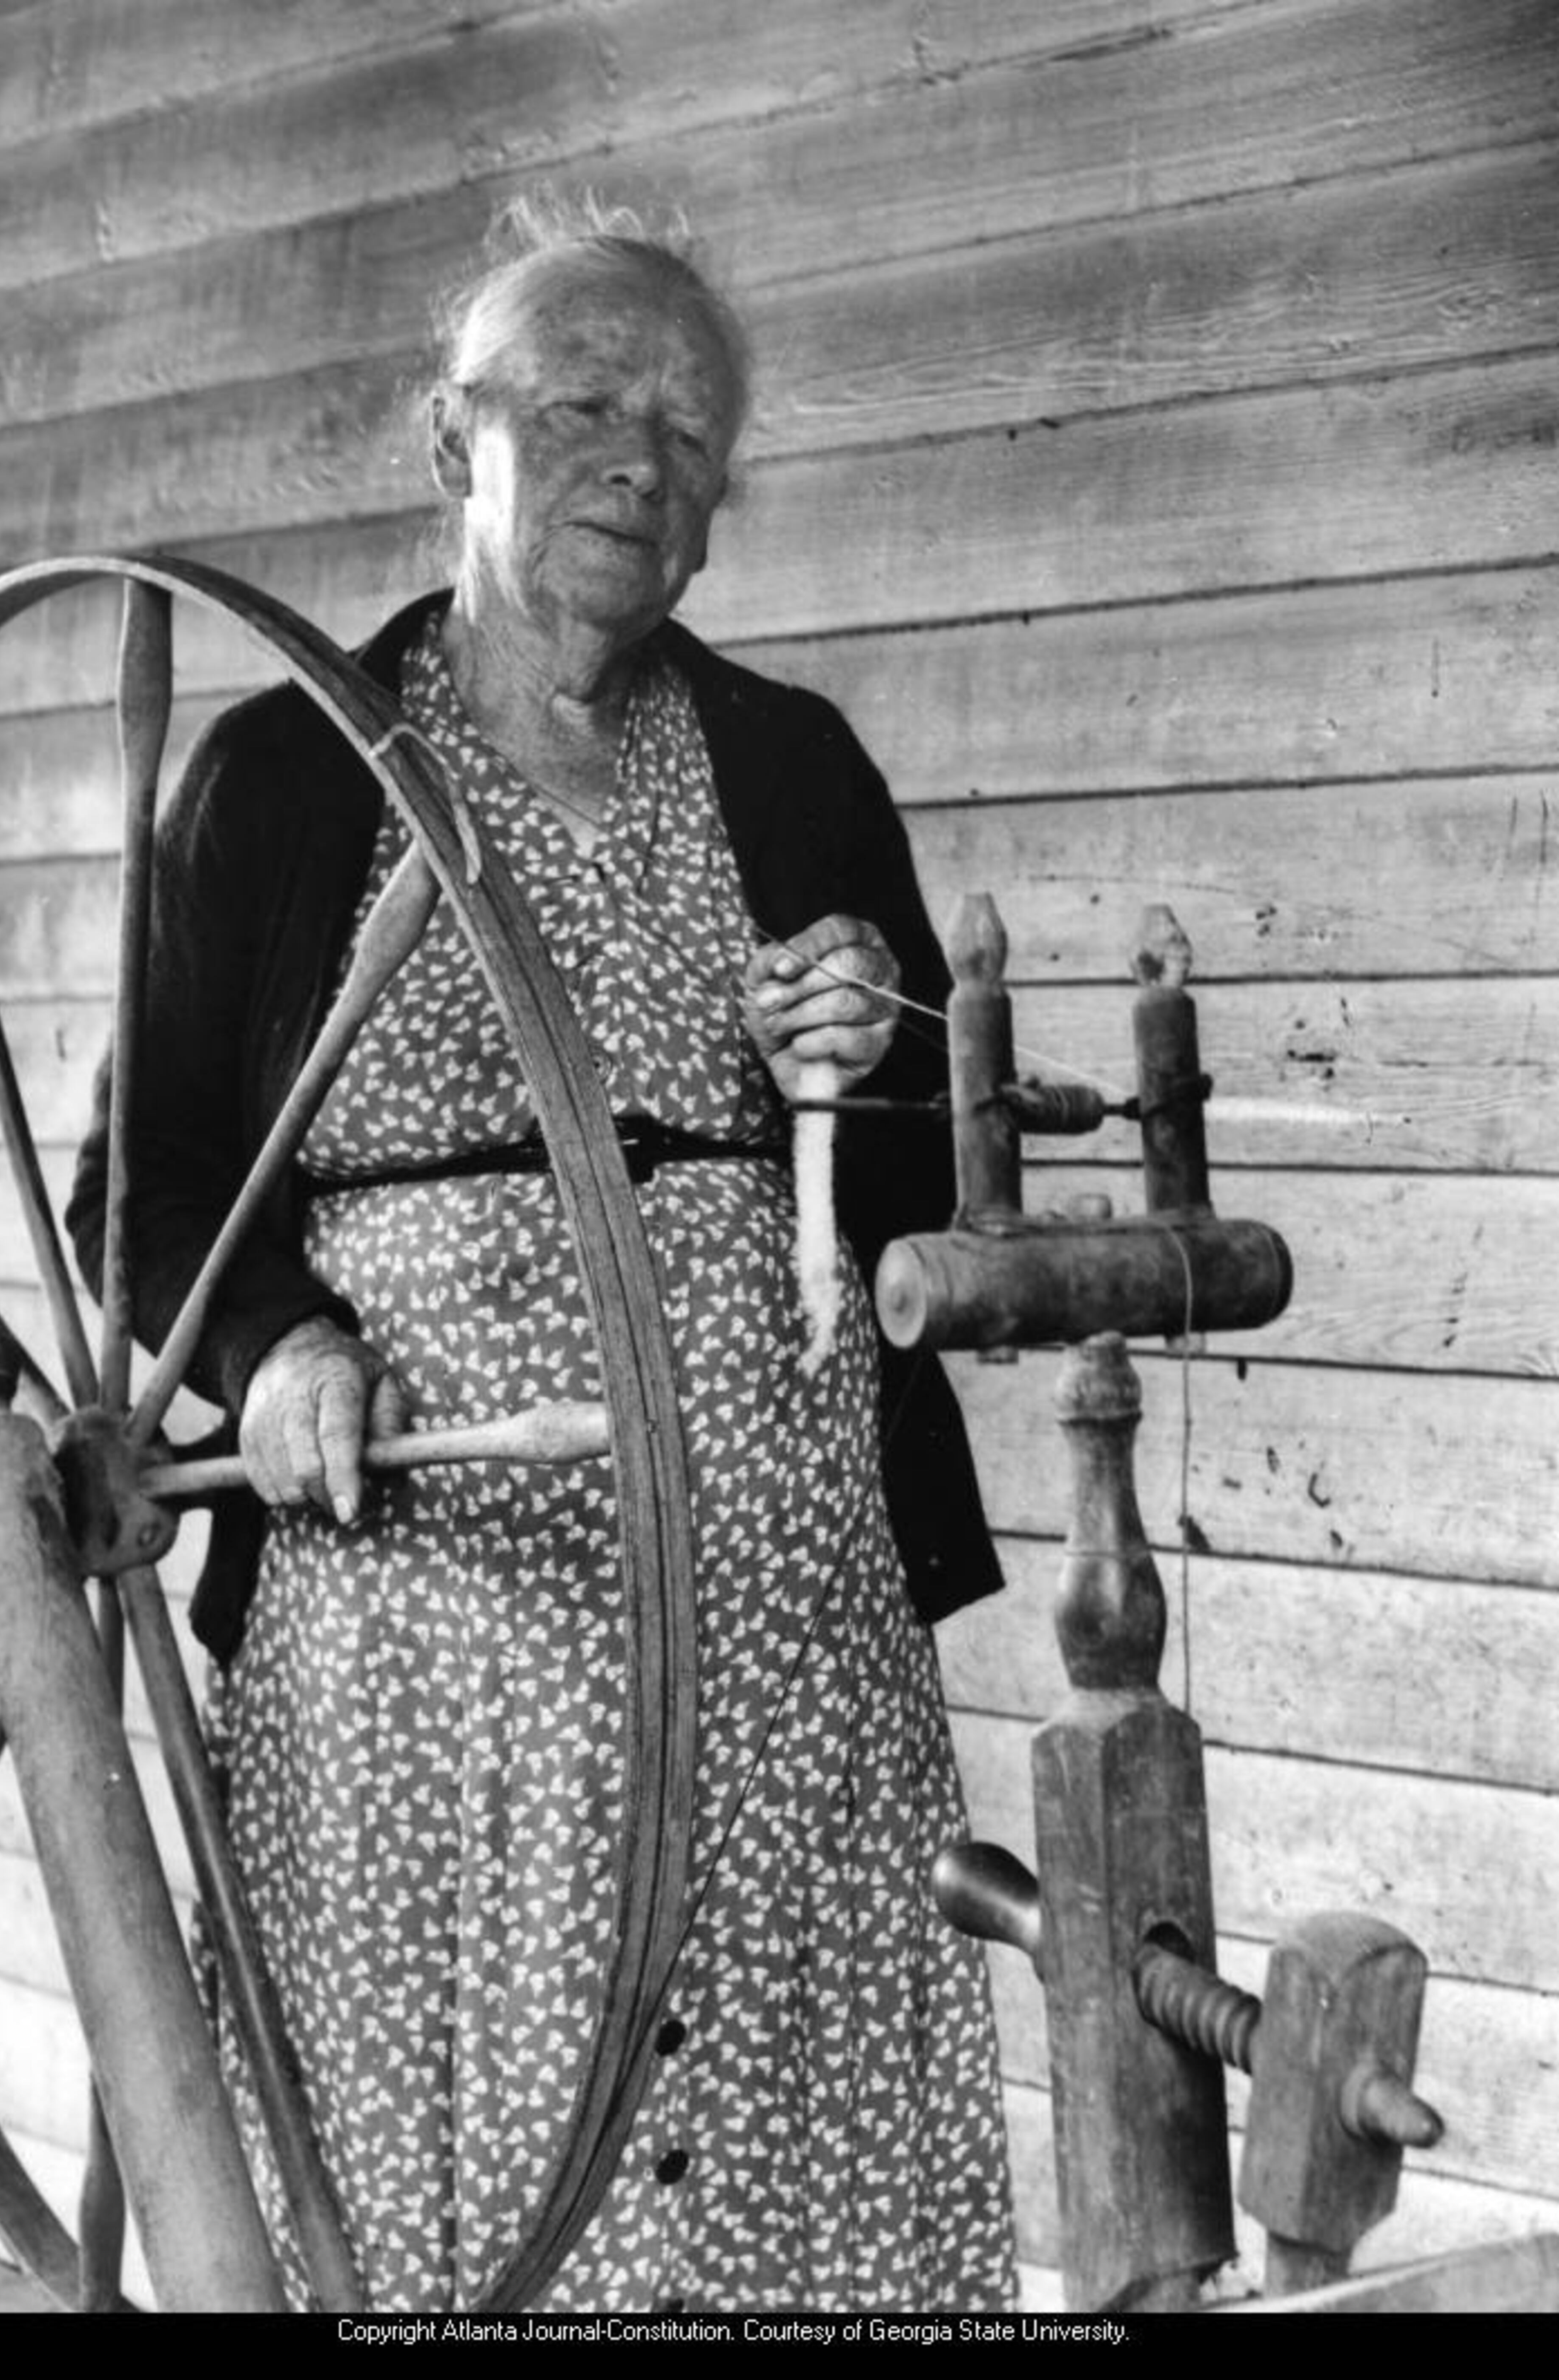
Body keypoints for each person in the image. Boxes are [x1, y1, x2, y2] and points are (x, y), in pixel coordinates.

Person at [68, 196, 1017, 2314]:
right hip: (429, 1625)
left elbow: (922, 1195)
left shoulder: (793, 766)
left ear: (718, 520)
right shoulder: (287, 770)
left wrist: (871, 1046)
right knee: (445, 2163)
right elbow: (138, 1196)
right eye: (582, 404)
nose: (638, 463)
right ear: (453, 443)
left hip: (783, 1619)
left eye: (688, 440)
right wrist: (283, 1345)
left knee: (790, 2119)